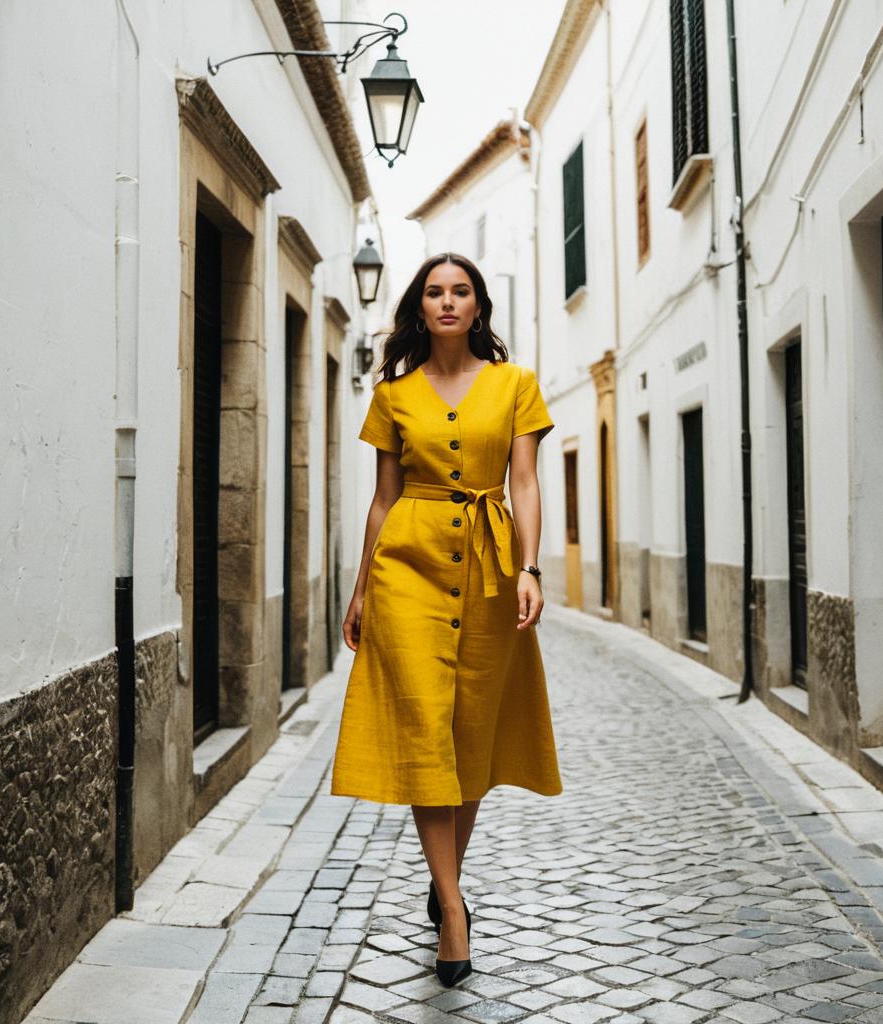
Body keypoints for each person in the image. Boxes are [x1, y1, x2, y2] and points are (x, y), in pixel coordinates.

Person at [330, 252, 563, 987]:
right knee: (426, 728)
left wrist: (529, 567)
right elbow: (383, 498)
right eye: (435, 292)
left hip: (491, 572)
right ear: (419, 307)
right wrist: (363, 587)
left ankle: (444, 878)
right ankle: (454, 913)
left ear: (478, 305)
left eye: (460, 290)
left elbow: (523, 483)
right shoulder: (393, 395)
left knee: (469, 735)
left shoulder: (515, 385)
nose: (448, 302)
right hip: (409, 568)